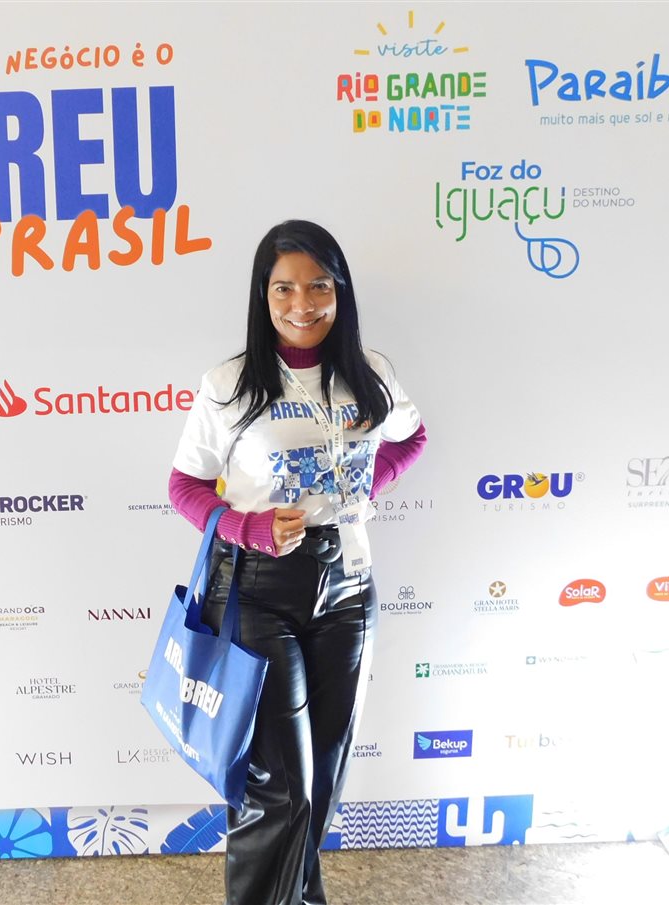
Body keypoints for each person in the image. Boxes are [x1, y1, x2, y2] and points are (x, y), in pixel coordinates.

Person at [168, 220, 426, 905]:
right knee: (280, 789)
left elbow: (412, 434)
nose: (302, 303)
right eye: (284, 287)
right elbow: (184, 486)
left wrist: (367, 484)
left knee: (322, 781)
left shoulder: (371, 373)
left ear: (339, 290)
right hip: (259, 594)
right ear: (264, 295)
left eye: (318, 285)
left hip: (348, 590)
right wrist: (245, 525)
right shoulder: (230, 383)